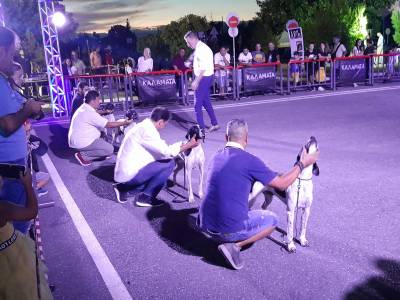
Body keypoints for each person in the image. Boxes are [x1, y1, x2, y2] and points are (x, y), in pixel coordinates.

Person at [198, 119, 319, 270]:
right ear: (246, 139)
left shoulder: (216, 156)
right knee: (273, 219)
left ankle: (222, 235)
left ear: (226, 138)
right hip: (226, 232)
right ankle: (235, 246)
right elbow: (282, 184)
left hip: (204, 225)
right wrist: (302, 163)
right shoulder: (250, 161)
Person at [0, 26, 43, 234]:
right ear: (1, 51)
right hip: (8, 168)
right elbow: (7, 125)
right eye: (12, 54)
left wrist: (29, 108)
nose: (13, 60)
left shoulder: (4, 81)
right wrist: (28, 109)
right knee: (15, 233)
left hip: (10, 165)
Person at [113, 107, 200, 205]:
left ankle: (126, 190)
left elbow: (162, 149)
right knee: (169, 163)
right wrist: (188, 145)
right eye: (165, 124)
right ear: (160, 122)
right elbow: (167, 153)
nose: (164, 127)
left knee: (162, 182)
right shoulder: (148, 131)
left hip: (125, 171)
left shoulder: (143, 126)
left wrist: (183, 144)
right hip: (127, 175)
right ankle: (144, 197)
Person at [0, 173, 53, 299]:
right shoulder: (2, 209)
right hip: (14, 258)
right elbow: (31, 212)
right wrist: (28, 185)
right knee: (28, 289)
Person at [68, 90, 131, 166]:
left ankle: (97, 152)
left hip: (77, 140)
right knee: (109, 149)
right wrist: (125, 122)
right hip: (82, 143)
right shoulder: (89, 113)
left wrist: (105, 112)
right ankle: (84, 156)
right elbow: (108, 124)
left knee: (102, 133)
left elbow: (95, 113)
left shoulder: (84, 107)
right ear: (93, 101)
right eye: (98, 100)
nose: (100, 102)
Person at [184, 31, 219, 133]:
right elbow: (202, 64)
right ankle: (215, 123)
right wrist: (191, 65)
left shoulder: (200, 50)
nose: (187, 44)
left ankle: (201, 129)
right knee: (206, 102)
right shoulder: (201, 48)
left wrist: (196, 81)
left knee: (197, 104)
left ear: (192, 39)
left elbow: (203, 68)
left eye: (187, 42)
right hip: (207, 77)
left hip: (203, 78)